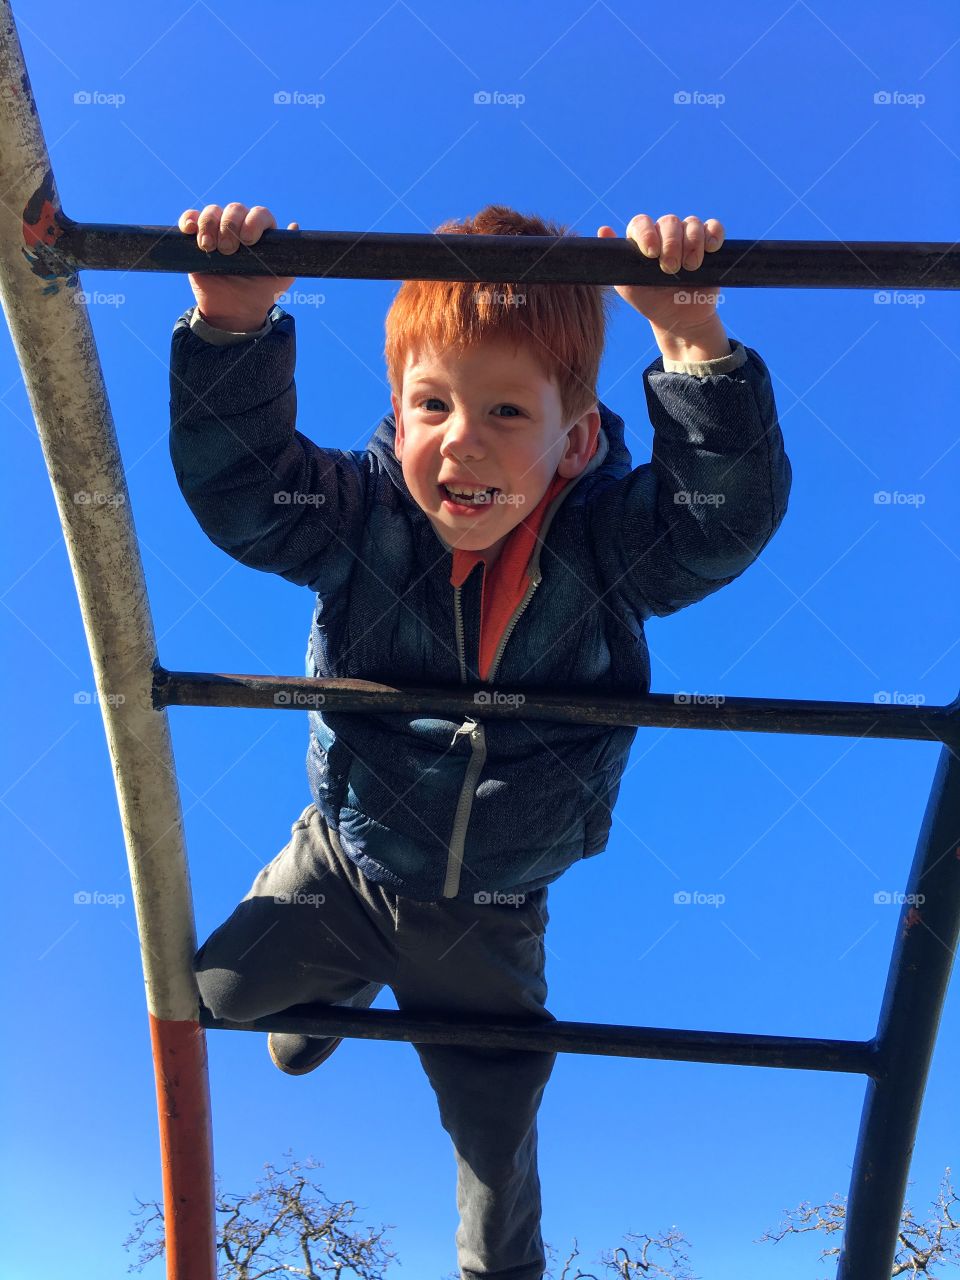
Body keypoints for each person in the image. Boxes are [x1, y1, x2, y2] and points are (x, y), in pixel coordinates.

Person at [170, 200, 792, 1280]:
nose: (463, 437)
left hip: (496, 905)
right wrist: (233, 326)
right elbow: (241, 497)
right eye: (433, 403)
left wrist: (692, 338)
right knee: (214, 992)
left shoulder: (611, 545)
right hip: (351, 863)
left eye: (508, 409)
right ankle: (336, 985)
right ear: (399, 416)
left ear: (577, 436)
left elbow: (718, 521)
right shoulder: (358, 514)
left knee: (498, 1120)